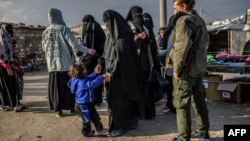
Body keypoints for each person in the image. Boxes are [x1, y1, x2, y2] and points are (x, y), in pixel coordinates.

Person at [95, 9, 145, 137]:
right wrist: (100, 63)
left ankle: (120, 126)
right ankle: (130, 122)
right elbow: (106, 53)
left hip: (121, 74)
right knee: (117, 101)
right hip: (112, 73)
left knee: (119, 102)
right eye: (104, 22)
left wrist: (111, 71)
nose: (106, 25)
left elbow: (121, 57)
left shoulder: (123, 35)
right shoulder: (110, 35)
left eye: (107, 22)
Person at [42, 8, 96, 118]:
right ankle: (71, 109)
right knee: (69, 88)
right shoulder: (64, 29)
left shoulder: (45, 31)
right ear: (59, 16)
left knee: (56, 89)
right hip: (66, 65)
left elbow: (44, 48)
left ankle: (58, 111)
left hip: (52, 66)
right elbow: (75, 45)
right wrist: (89, 51)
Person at [168, 0, 210, 140]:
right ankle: (203, 132)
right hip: (198, 69)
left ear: (184, 6)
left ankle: (184, 137)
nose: (174, 11)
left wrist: (177, 68)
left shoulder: (183, 20)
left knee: (181, 103)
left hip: (186, 70)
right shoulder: (200, 20)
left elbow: (181, 46)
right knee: (199, 100)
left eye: (175, 8)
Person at [126, 6, 159, 119]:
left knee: (147, 88)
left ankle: (148, 113)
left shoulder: (146, 26)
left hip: (146, 63)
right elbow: (126, 45)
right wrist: (137, 38)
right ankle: (138, 113)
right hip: (135, 63)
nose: (139, 17)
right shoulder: (128, 27)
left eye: (140, 14)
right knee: (137, 87)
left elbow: (152, 45)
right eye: (137, 15)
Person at [67, 62, 108, 137]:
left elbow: (89, 78)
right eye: (84, 68)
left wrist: (95, 73)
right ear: (81, 72)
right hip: (83, 105)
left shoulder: (80, 78)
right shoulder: (82, 82)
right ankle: (86, 132)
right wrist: (102, 77)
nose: (86, 69)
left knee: (95, 116)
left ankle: (100, 129)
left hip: (88, 103)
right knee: (87, 119)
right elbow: (92, 84)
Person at [76, 14, 106, 106]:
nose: (85, 24)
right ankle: (97, 100)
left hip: (92, 59)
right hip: (96, 58)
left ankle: (93, 99)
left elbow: (84, 44)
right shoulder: (97, 28)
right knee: (95, 78)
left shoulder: (90, 28)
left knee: (90, 78)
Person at [0, 23, 26, 112]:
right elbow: (2, 55)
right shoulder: (2, 40)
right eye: (9, 30)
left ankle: (9, 104)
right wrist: (7, 67)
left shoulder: (8, 39)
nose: (11, 31)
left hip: (11, 66)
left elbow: (11, 53)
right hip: (6, 67)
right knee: (12, 85)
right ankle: (15, 104)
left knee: (9, 86)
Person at [159, 15, 176, 115]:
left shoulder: (172, 33)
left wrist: (159, 52)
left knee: (172, 88)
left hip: (172, 65)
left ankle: (172, 106)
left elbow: (168, 51)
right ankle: (171, 105)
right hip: (171, 65)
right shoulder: (172, 33)